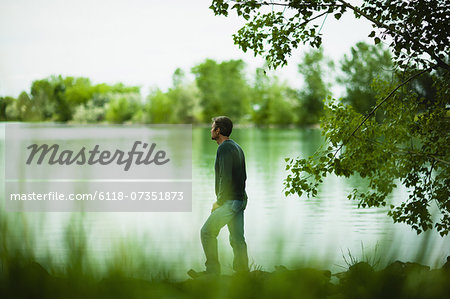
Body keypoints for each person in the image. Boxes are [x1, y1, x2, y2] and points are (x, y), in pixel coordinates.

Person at [188, 116, 249, 277]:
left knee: (207, 232)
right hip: (240, 199)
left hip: (230, 201)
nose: (210, 130)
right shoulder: (237, 147)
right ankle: (243, 273)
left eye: (212, 127)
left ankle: (212, 271)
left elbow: (226, 178)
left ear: (218, 130)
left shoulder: (224, 148)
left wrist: (219, 202)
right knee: (237, 238)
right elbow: (243, 177)